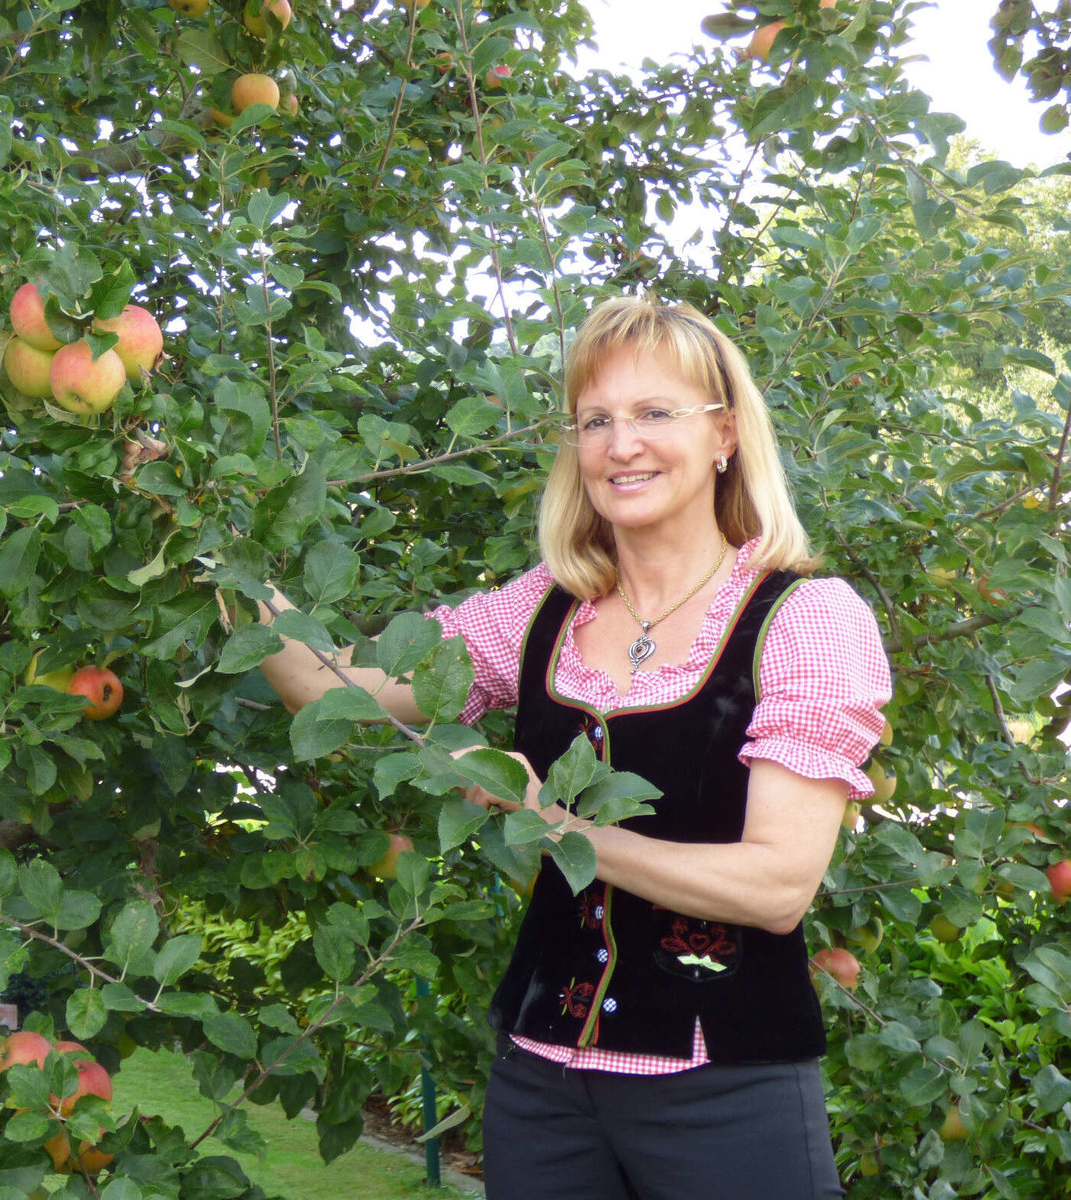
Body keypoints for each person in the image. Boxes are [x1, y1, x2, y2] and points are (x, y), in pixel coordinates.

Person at [252, 295, 891, 1199]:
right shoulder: (544, 606)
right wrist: (224, 562)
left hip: (723, 1084)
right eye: (596, 420)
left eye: (654, 412)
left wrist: (548, 819)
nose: (620, 443)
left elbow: (777, 886)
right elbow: (331, 688)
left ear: (725, 435)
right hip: (541, 1083)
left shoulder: (805, 618)